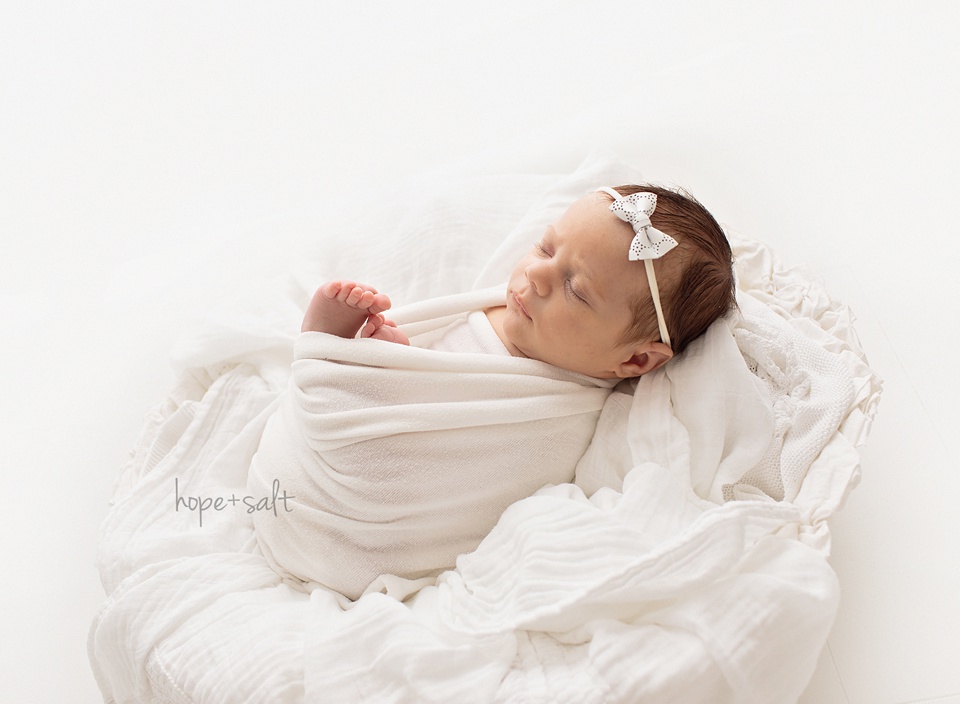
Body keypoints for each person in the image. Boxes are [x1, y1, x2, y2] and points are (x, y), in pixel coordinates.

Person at [247, 184, 736, 599]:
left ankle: (327, 355)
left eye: (577, 290)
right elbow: (425, 389)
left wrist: (389, 380)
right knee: (369, 379)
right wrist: (394, 363)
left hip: (357, 540)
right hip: (297, 480)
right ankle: (346, 363)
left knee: (366, 401)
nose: (538, 275)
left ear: (633, 361)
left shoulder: (562, 415)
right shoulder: (500, 309)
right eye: (545, 248)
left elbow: (476, 479)